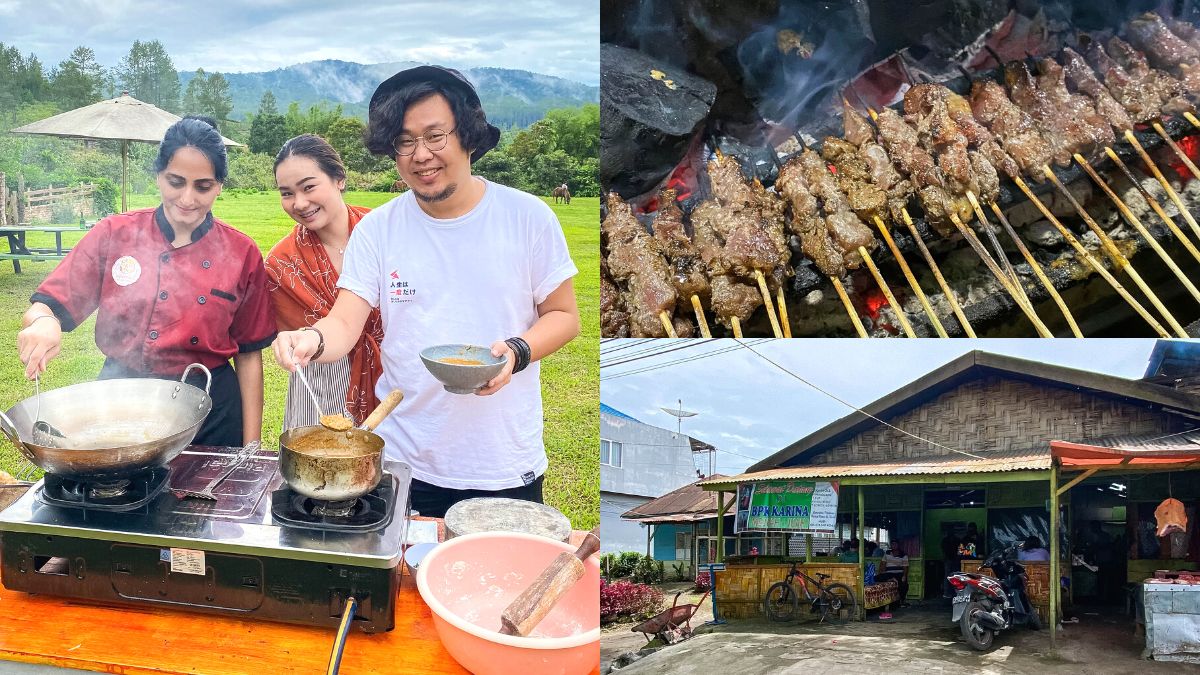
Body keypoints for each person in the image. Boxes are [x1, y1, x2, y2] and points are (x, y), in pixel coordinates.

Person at [271, 66, 580, 518]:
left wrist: (517, 352)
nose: (421, 155)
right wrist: (311, 339)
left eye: (435, 136)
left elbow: (564, 316)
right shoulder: (378, 229)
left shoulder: (528, 217)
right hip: (404, 461)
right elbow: (344, 322)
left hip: (503, 461)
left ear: (468, 135)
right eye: (405, 142)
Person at [17, 117, 275, 446]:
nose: (187, 198)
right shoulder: (114, 234)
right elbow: (46, 306)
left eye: (203, 186)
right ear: (158, 175)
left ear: (220, 186)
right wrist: (43, 322)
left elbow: (249, 355)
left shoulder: (241, 251)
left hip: (211, 410)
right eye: (176, 182)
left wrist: (251, 448)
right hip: (123, 400)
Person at [265, 134, 384, 429]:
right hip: (322, 381)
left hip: (393, 375)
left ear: (339, 179)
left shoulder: (382, 233)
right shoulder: (282, 262)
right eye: (287, 193)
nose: (300, 203)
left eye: (308, 187)